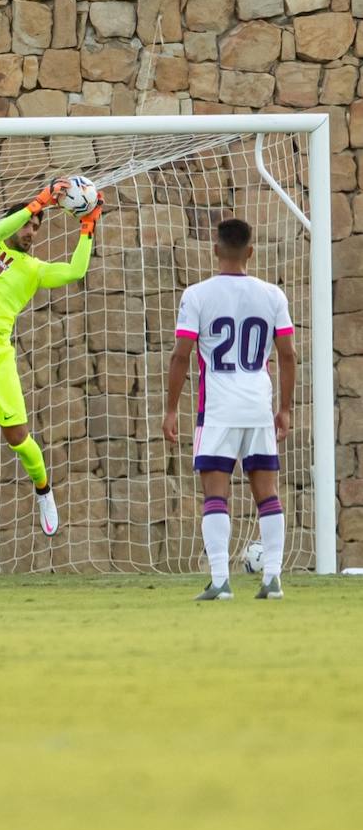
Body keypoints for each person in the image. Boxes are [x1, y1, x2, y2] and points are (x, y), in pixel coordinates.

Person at [0, 179, 103, 540]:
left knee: (18, 437)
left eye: (37, 228)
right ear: (13, 223)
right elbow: (0, 229)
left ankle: (43, 490)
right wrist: (37, 203)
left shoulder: (33, 269)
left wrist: (88, 227)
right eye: (28, 225)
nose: (32, 232)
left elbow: (75, 270)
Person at [162, 218, 296, 601]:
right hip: (257, 407)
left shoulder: (197, 295)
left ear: (215, 250)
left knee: (215, 496)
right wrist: (284, 408)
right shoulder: (273, 295)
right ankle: (273, 579)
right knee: (267, 495)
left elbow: (181, 355)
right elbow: (287, 354)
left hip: (217, 410)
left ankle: (220, 581)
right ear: (250, 252)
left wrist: (171, 409)